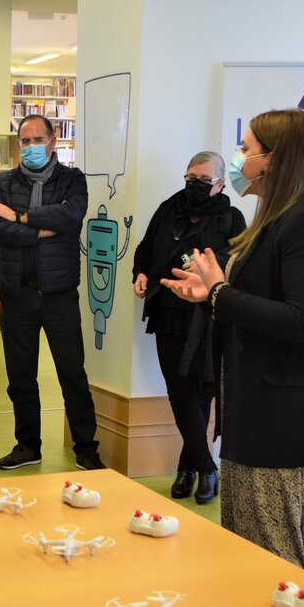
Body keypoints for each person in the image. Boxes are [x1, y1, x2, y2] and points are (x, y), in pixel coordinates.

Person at [162, 109, 304, 584]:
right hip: (261, 407)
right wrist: (212, 293)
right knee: (252, 560)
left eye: (246, 148)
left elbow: (302, 320)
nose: (239, 158)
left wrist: (220, 294)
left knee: (280, 570)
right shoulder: (280, 215)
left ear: (276, 159)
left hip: (289, 419)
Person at [0, 114, 105, 471]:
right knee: (20, 376)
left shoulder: (72, 179)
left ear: (53, 141)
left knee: (72, 374)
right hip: (16, 295)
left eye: (38, 139)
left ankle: (86, 448)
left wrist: (19, 217)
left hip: (58, 294)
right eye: (25, 141)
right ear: (18, 144)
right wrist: (40, 230)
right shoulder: (3, 182)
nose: (32, 146)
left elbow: (71, 216)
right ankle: (27, 446)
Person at [132, 152, 245, 503]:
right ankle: (207, 467)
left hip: (208, 316)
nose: (195, 185)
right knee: (179, 391)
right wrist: (140, 273)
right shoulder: (168, 209)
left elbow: (239, 264)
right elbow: (145, 249)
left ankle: (188, 468)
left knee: (201, 392)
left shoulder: (231, 219)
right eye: (190, 179)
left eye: (204, 181)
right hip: (167, 311)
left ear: (220, 184)